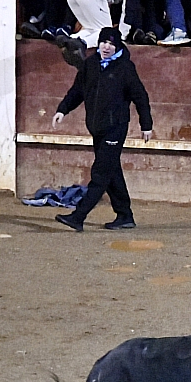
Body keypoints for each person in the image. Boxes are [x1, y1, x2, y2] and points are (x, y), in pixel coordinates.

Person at [52, 27, 153, 232]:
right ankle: (125, 215)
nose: (106, 47)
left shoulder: (125, 68)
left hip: (115, 128)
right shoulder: (90, 65)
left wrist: (146, 125)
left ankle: (78, 216)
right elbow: (77, 91)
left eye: (111, 43)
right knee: (112, 171)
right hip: (97, 127)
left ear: (117, 46)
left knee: (100, 173)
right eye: (103, 42)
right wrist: (63, 110)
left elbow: (140, 97)